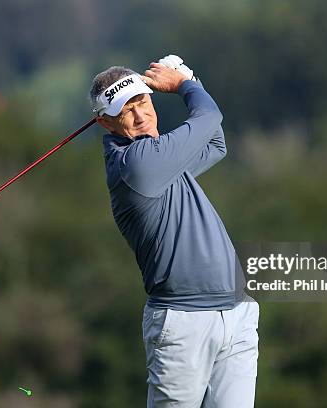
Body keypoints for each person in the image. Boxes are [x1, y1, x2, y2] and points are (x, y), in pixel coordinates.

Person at [89, 55, 259, 408]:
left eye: (143, 101)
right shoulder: (137, 165)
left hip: (237, 314)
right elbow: (210, 116)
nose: (141, 116)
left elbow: (215, 143)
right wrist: (185, 84)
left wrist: (189, 77)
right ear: (106, 123)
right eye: (126, 111)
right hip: (182, 324)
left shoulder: (161, 157)